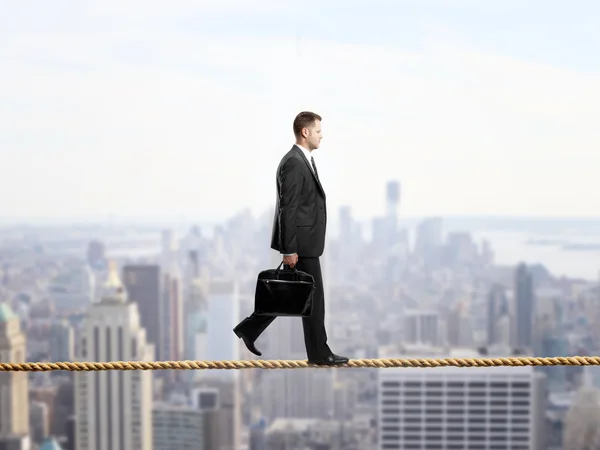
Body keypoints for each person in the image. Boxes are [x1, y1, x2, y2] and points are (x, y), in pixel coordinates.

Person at [233, 111, 349, 365]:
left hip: (305, 243)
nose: (322, 135)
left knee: (293, 295)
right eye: (318, 131)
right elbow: (289, 208)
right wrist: (289, 249)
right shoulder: (295, 162)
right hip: (301, 245)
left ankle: (250, 329)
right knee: (313, 300)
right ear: (305, 132)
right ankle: (320, 353)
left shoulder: (303, 160)